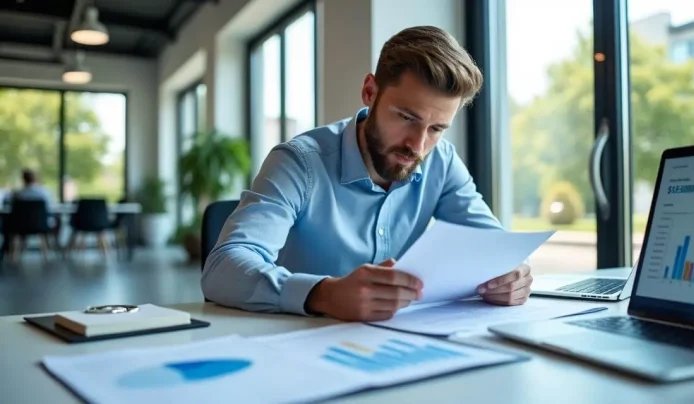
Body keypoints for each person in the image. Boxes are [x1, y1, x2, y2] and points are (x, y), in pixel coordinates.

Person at [202, 26, 533, 321]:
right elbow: (222, 270)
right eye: (406, 117)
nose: (417, 146)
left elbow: (494, 247)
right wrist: (325, 294)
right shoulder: (299, 162)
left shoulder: (441, 160)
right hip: (296, 343)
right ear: (370, 92)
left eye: (436, 128)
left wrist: (511, 275)